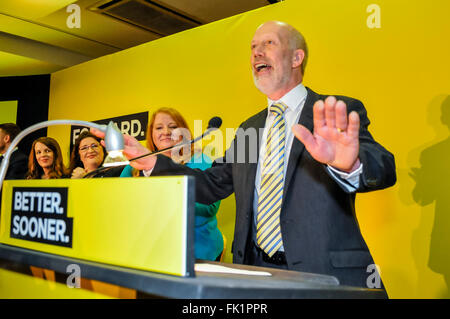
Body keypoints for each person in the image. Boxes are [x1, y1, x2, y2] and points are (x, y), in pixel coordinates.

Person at [92, 21, 396, 289]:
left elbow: (384, 167)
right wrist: (152, 161)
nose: (256, 53)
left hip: (325, 275)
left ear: (296, 57)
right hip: (257, 272)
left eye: (268, 43)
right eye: (252, 47)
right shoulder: (249, 129)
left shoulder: (333, 111)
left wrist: (350, 165)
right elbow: (211, 184)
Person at [120, 107, 224, 261]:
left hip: (195, 251)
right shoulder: (135, 165)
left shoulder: (199, 160)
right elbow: (119, 200)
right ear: (152, 134)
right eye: (159, 127)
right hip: (148, 248)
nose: (166, 131)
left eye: (173, 127)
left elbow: (208, 208)